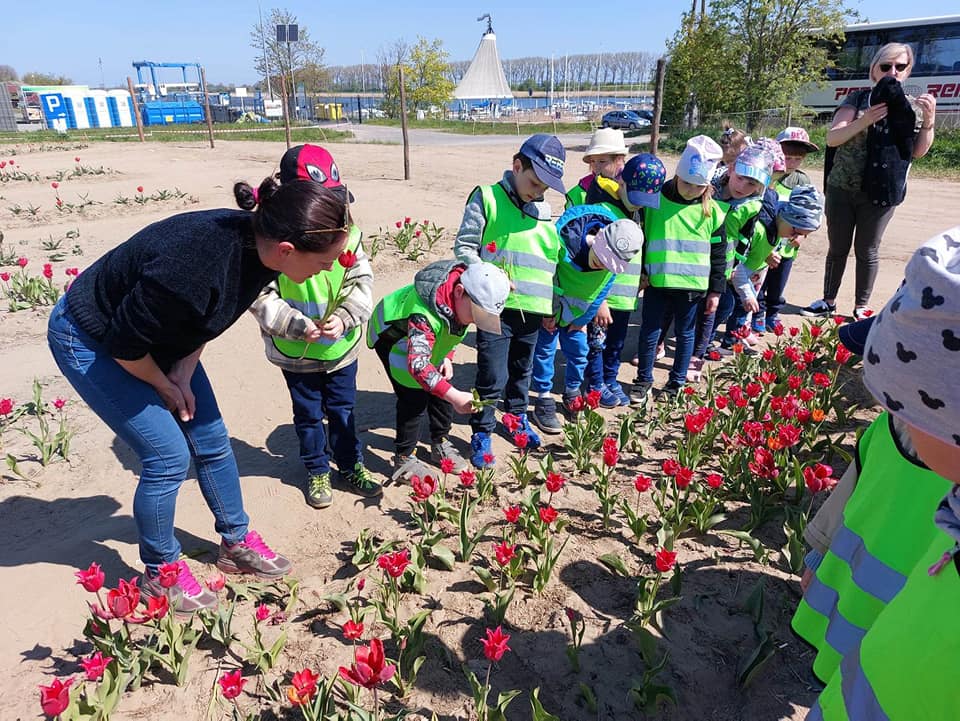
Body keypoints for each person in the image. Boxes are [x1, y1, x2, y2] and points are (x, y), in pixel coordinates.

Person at [46, 176, 350, 613]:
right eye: (325, 262)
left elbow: (208, 318)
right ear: (287, 249)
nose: (330, 269)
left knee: (211, 438)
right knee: (167, 457)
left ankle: (235, 543)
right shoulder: (193, 266)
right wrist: (164, 384)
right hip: (93, 337)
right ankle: (161, 574)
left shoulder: (262, 252)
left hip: (156, 335)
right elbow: (124, 346)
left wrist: (185, 374)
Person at [806, 226, 960, 720]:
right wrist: (818, 551)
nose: (891, 415)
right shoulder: (946, 498)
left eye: (902, 404)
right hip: (860, 650)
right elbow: (853, 489)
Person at [249, 145, 380, 509]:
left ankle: (350, 463)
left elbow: (361, 281)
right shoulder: (271, 244)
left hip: (340, 348)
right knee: (308, 415)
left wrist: (347, 316)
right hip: (297, 352)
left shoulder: (349, 234)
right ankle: (317, 468)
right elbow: (260, 296)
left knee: (343, 409)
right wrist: (294, 325)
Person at [801, 42, 937, 322]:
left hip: (882, 192)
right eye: (886, 66)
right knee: (838, 248)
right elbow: (833, 138)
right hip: (842, 186)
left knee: (867, 249)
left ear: (908, 70)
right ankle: (828, 301)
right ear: (874, 69)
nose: (893, 72)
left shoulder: (912, 107)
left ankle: (861, 306)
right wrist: (864, 121)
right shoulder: (857, 99)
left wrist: (929, 121)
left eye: (900, 66)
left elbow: (917, 152)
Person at [453, 134, 565, 466]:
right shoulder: (487, 197)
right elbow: (465, 248)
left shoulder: (544, 211)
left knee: (521, 370)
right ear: (517, 166)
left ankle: (517, 417)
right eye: (534, 182)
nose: (538, 192)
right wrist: (491, 278)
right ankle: (482, 430)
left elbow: (550, 259)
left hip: (533, 308)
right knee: (491, 373)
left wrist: (553, 303)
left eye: (546, 187)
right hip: (492, 308)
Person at [367, 260, 510, 483]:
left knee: (442, 388)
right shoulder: (423, 316)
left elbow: (451, 333)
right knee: (413, 397)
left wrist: (446, 357)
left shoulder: (461, 303)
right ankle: (404, 458)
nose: (477, 321)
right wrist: (454, 395)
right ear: (459, 292)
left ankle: (440, 441)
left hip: (426, 343)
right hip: (394, 338)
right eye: (477, 314)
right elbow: (418, 366)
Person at [629, 135, 725, 402]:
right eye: (687, 183)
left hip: (691, 288)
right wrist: (641, 272)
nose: (691, 190)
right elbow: (642, 239)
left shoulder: (713, 212)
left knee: (685, 335)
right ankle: (643, 380)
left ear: (707, 185)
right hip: (657, 282)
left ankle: (676, 382)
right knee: (650, 331)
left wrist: (716, 291)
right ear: (677, 175)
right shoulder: (654, 202)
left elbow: (719, 255)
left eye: (698, 186)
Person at [529, 218, 644, 431]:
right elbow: (549, 276)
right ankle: (543, 397)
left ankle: (572, 392)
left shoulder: (609, 269)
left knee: (580, 352)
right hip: (551, 312)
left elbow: (599, 294)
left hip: (576, 317)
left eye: (609, 263)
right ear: (598, 238)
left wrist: (582, 320)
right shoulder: (566, 247)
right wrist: (549, 311)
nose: (603, 264)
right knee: (545, 352)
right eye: (602, 257)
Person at [579, 153, 666, 407]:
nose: (639, 205)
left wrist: (642, 274)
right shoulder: (604, 211)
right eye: (636, 197)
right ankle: (595, 384)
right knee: (597, 342)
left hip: (626, 296)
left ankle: (610, 378)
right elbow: (592, 258)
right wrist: (600, 300)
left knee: (616, 343)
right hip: (603, 296)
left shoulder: (637, 212)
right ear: (622, 181)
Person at [727, 185, 824, 343]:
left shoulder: (777, 225)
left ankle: (736, 336)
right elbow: (736, 266)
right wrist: (747, 294)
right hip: (732, 275)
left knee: (738, 307)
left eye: (802, 235)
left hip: (746, 275)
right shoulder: (759, 228)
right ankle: (723, 343)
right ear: (787, 216)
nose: (793, 238)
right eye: (795, 232)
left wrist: (767, 253)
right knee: (728, 306)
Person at [757, 127, 818, 330]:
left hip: (788, 246)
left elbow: (807, 213)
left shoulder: (802, 180)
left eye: (797, 159)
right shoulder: (768, 176)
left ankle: (772, 313)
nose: (791, 163)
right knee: (760, 281)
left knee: (778, 283)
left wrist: (802, 236)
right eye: (787, 157)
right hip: (764, 244)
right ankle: (757, 313)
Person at [564, 127, 628, 209]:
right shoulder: (582, 190)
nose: (596, 167)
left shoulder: (633, 186)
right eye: (592, 161)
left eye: (602, 161)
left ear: (619, 160)